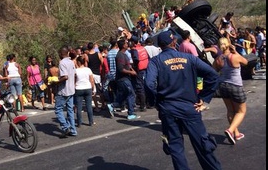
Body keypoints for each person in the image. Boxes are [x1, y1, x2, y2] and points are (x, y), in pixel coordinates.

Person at [145, 31, 222, 170]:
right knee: (203, 144)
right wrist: (204, 98)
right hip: (190, 107)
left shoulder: (155, 61)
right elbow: (213, 76)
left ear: (160, 46)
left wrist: (155, 102)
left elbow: (149, 84)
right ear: (174, 42)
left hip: (168, 109)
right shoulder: (189, 59)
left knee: (175, 147)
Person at [213, 37, 248, 145]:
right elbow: (246, 62)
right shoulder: (235, 56)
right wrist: (235, 51)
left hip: (223, 85)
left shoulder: (218, 59)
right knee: (241, 111)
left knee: (230, 110)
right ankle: (230, 130)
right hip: (235, 86)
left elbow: (214, 70)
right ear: (229, 44)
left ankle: (236, 133)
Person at [106, 39, 139, 120]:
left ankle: (113, 105)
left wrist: (132, 69)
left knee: (125, 95)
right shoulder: (120, 55)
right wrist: (131, 73)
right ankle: (130, 113)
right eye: (126, 43)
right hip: (123, 79)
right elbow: (121, 69)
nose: (127, 44)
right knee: (131, 94)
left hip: (125, 78)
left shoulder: (124, 54)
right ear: (123, 46)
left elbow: (127, 65)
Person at [52, 46, 77, 138]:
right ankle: (73, 130)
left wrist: (56, 82)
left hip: (63, 90)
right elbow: (73, 75)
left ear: (62, 53)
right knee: (70, 110)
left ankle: (65, 127)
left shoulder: (62, 63)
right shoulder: (71, 62)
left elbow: (65, 77)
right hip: (71, 90)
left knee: (58, 109)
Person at [74, 55, 95, 127]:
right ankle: (91, 121)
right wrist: (93, 88)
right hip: (87, 88)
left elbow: (74, 81)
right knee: (89, 105)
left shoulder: (76, 71)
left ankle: (79, 122)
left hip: (79, 88)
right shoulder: (88, 69)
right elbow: (92, 80)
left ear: (79, 62)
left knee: (79, 107)